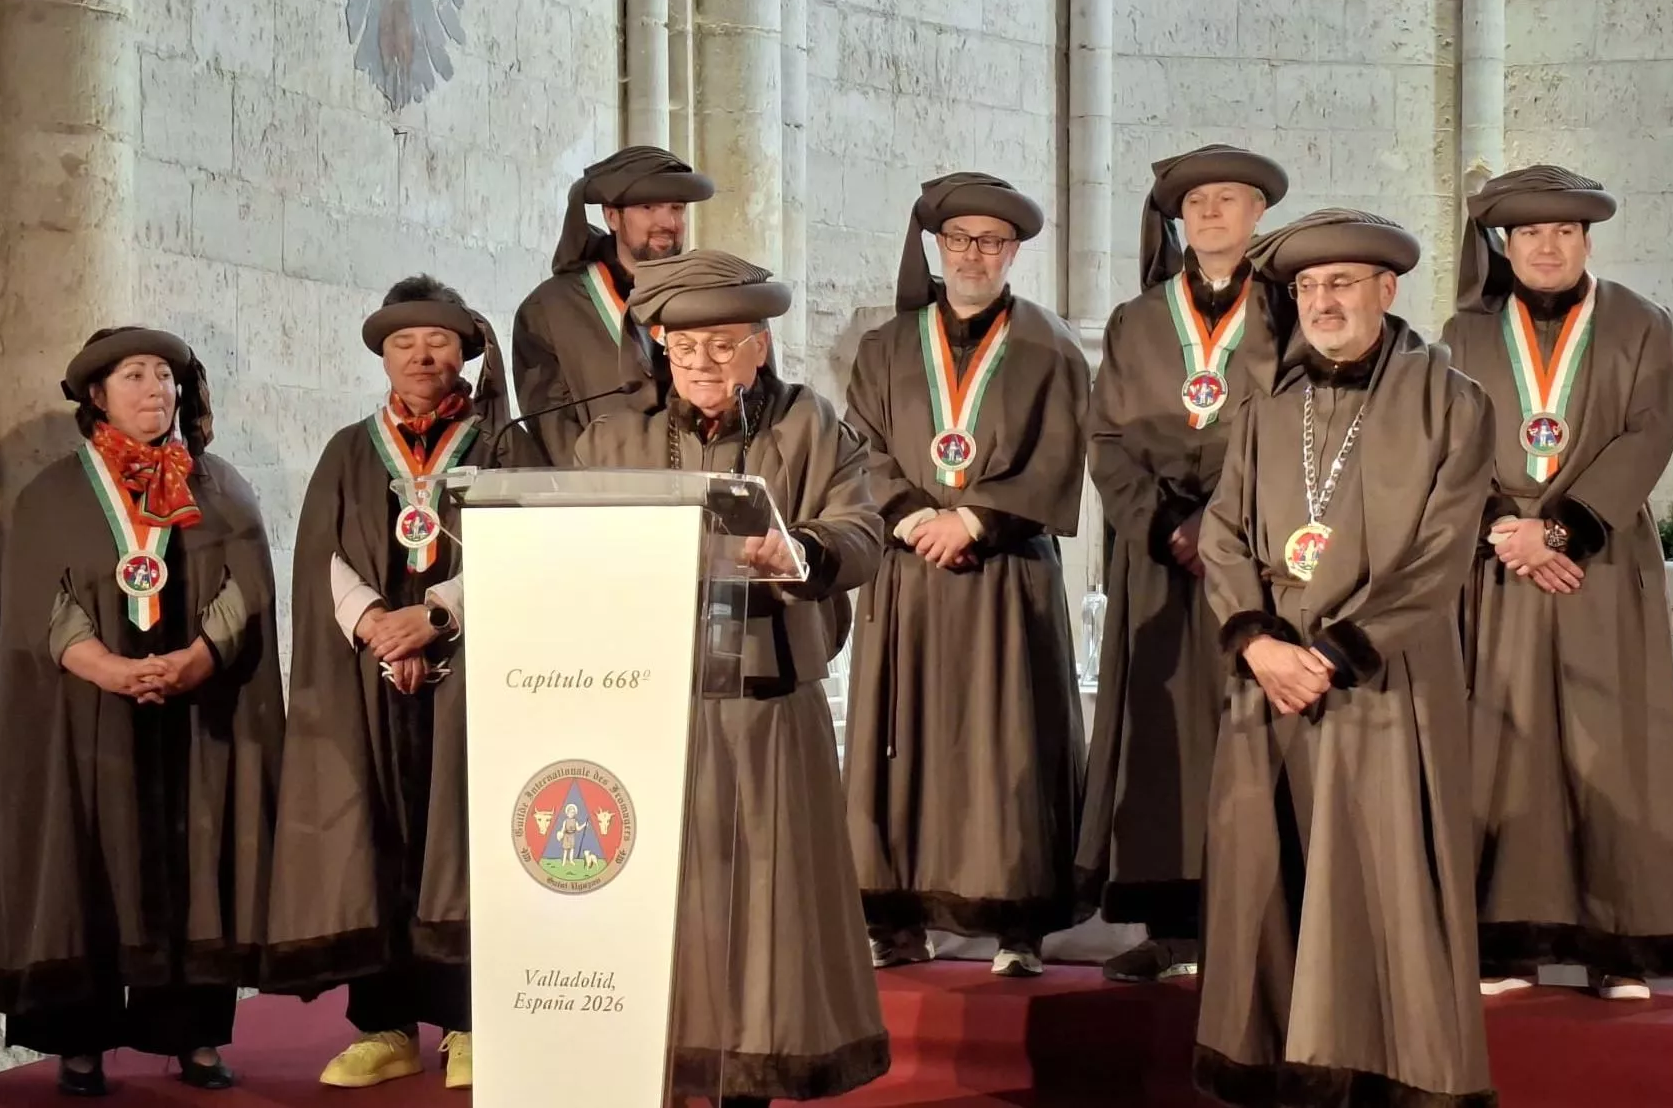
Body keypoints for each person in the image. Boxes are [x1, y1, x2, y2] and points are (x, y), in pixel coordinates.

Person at [574, 250, 891, 1107]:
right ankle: (661, 1068)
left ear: (759, 347)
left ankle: (750, 1075)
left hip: (767, 700)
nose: (703, 364)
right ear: (659, 349)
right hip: (647, 706)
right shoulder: (612, 438)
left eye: (722, 346)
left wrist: (801, 550)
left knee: (765, 904)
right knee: (664, 900)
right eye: (684, 347)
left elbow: (863, 532)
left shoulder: (808, 425)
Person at [1194, 209, 1496, 1107]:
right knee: (1272, 880)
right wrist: (1255, 641)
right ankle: (1289, 1071)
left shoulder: (1453, 401)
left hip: (1383, 683)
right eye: (1308, 288)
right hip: (1271, 687)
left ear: (1386, 290)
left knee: (1384, 883)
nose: (1322, 302)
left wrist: (1332, 653)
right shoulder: (1266, 409)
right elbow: (1222, 536)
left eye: (1342, 284)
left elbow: (1442, 554)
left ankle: (1393, 1072)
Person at [0, 327, 284, 1095]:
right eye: (134, 376)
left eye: (164, 377)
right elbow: (44, 606)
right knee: (87, 869)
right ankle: (80, 1047)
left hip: (195, 716)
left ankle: (195, 1039)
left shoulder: (219, 488)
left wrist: (197, 659)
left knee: (194, 865)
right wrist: (110, 668)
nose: (154, 390)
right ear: (97, 396)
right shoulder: (54, 495)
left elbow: (246, 589)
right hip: (88, 719)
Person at [1443, 164, 1673, 1000]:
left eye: (1563, 232)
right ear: (1506, 245)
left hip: (1599, 559)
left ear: (1588, 241)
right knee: (1502, 741)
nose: (1547, 246)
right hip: (1497, 563)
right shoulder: (1464, 332)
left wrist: (1561, 528)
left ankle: (1622, 945)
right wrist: (1504, 528)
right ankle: (1506, 940)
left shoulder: (1640, 323)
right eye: (1529, 234)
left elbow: (1650, 428)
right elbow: (1443, 438)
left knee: (1614, 745)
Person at [262, 276, 512, 1089]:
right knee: (375, 834)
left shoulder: (506, 444)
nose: (421, 356)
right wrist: (377, 627)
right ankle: (386, 1026)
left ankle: (473, 1021)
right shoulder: (348, 448)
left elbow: (522, 544)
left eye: (437, 341)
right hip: (371, 675)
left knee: (467, 836)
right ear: (382, 355)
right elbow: (322, 556)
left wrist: (434, 619)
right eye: (403, 344)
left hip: (475, 668)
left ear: (464, 350)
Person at [843, 173, 1090, 978]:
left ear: (1014, 250)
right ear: (937, 248)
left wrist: (973, 521)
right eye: (959, 240)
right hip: (909, 574)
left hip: (1003, 575)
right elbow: (861, 449)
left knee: (1008, 741)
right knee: (900, 742)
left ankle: (1016, 924)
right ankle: (899, 921)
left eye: (991, 241)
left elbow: (1060, 454)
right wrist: (917, 516)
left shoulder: (1051, 345)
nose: (974, 254)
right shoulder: (884, 346)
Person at [1077, 143, 1288, 984]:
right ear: (1177, 217)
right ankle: (1168, 928)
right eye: (1196, 201)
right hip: (1160, 563)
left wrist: (1224, 523)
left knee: (1249, 733)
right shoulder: (1137, 320)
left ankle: (1257, 924)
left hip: (1258, 560)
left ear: (1257, 214)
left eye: (1228, 199)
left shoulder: (1287, 309)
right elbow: (1106, 439)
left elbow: (1302, 427)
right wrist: (1168, 523)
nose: (1210, 213)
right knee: (1162, 739)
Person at [512, 145, 715, 463]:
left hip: (702, 490)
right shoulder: (549, 310)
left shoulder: (714, 298)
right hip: (606, 497)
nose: (667, 222)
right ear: (611, 216)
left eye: (677, 208)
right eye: (648, 207)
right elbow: (553, 431)